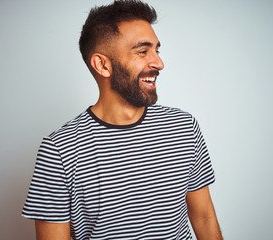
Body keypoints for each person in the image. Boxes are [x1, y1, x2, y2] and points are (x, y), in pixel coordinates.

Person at [22, 0, 222, 239]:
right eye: (142, 51)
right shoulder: (59, 151)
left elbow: (204, 217)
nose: (159, 63)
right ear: (103, 65)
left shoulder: (183, 127)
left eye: (157, 50)